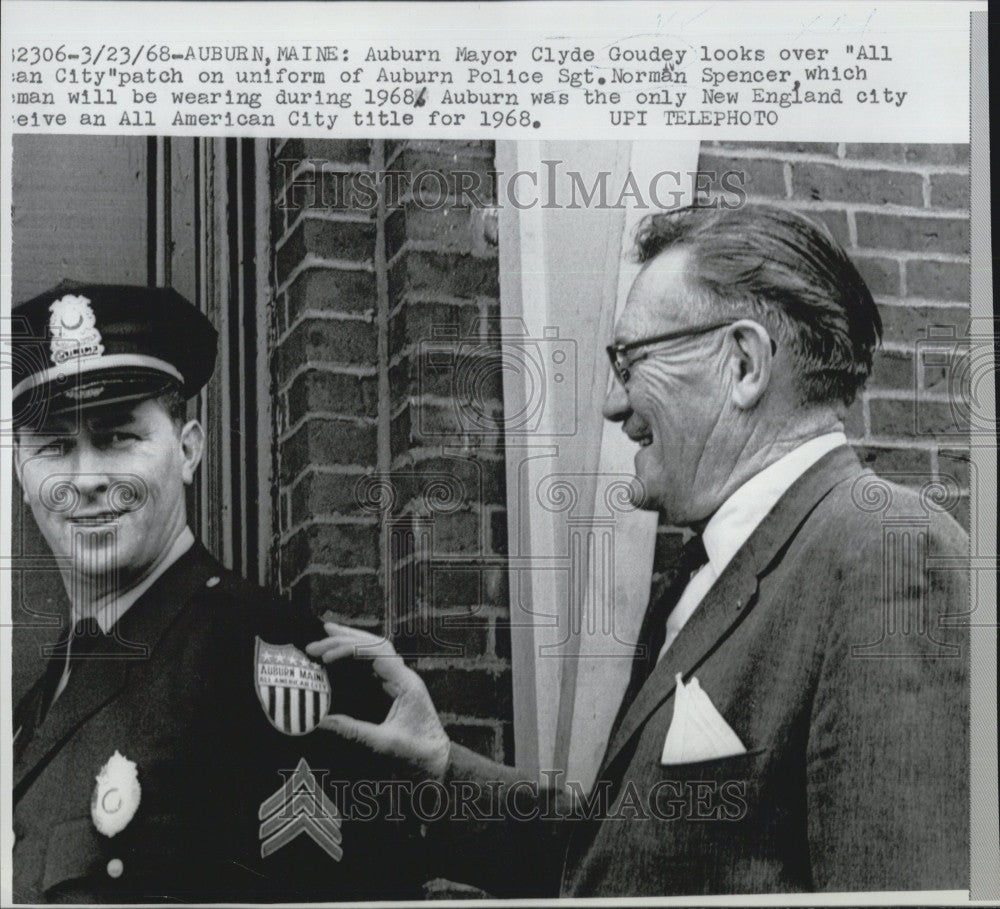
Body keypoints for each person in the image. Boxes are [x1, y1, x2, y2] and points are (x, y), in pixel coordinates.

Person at [308, 204, 970, 896]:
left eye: (632, 360)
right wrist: (439, 768)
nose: (613, 405)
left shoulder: (893, 558)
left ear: (743, 362)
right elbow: (616, 858)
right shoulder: (707, 571)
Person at [10, 282, 425, 902]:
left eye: (119, 437)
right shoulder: (36, 706)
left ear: (188, 449)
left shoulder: (264, 659)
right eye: (54, 448)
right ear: (21, 473)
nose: (88, 479)